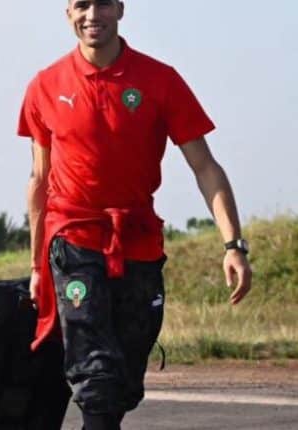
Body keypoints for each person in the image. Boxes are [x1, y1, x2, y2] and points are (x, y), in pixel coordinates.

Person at [17, 1, 253, 429]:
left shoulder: (160, 80)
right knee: (95, 370)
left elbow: (205, 167)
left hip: (138, 240)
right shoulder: (45, 85)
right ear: (67, 13)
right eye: (81, 5)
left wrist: (233, 245)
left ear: (120, 10)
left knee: (126, 371)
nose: (93, 15)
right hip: (74, 239)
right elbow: (39, 179)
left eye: (103, 3)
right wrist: (37, 266)